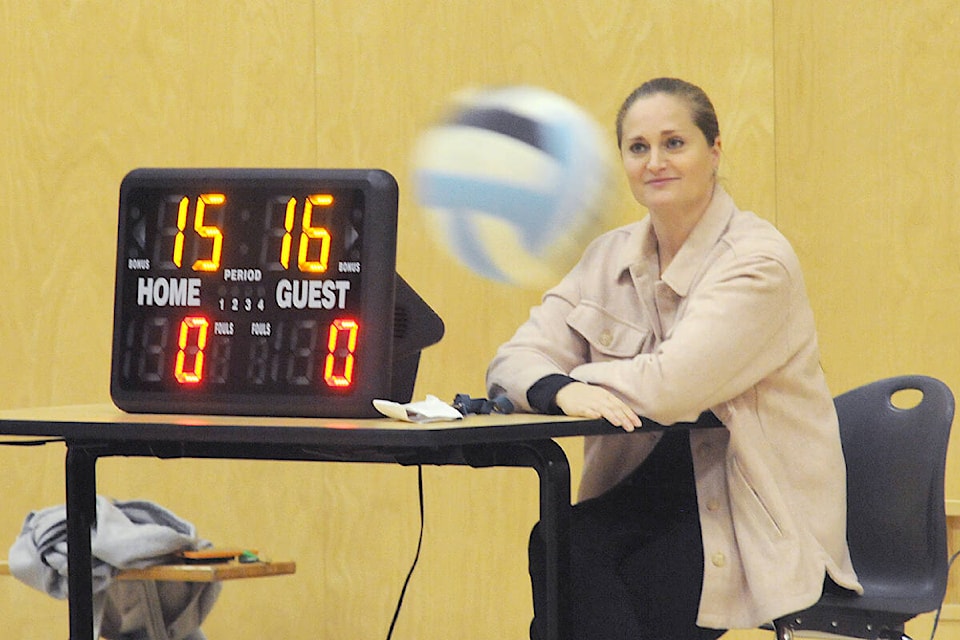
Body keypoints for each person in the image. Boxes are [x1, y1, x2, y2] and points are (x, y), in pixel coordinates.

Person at [485, 77, 862, 640]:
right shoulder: (606, 256)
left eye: (674, 143)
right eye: (638, 148)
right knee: (561, 540)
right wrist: (557, 390)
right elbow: (512, 359)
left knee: (602, 565)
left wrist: (573, 376)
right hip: (645, 495)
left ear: (714, 150)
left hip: (747, 516)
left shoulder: (758, 262)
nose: (655, 161)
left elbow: (670, 388)